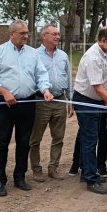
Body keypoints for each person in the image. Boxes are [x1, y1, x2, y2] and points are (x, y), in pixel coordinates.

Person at [0, 20, 53, 196]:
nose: (26, 36)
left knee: (24, 142)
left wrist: (45, 90)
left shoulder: (33, 53)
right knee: (1, 142)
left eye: (27, 33)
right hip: (5, 104)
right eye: (22, 33)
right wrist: (4, 92)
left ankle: (20, 177)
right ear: (11, 34)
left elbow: (41, 74)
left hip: (27, 103)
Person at [72, 26, 107, 195]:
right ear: (103, 40)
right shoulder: (93, 57)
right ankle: (91, 178)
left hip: (96, 100)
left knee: (91, 136)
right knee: (90, 138)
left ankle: (87, 171)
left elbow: (106, 85)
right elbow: (99, 89)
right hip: (85, 101)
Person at [28, 24, 73, 182]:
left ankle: (53, 168)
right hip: (40, 101)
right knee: (35, 138)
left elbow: (68, 78)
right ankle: (36, 169)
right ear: (44, 36)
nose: (57, 37)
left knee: (58, 137)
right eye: (54, 34)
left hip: (60, 99)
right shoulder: (34, 55)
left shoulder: (63, 55)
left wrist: (70, 99)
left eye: (58, 34)